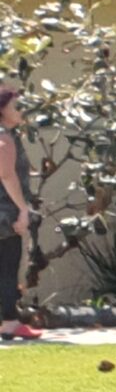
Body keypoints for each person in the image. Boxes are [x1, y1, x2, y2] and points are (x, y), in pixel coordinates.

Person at [0, 87, 39, 340]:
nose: (21, 111)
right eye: (16, 107)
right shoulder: (4, 138)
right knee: (7, 267)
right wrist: (23, 210)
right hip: (5, 213)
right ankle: (10, 322)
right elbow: (6, 175)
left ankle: (9, 320)